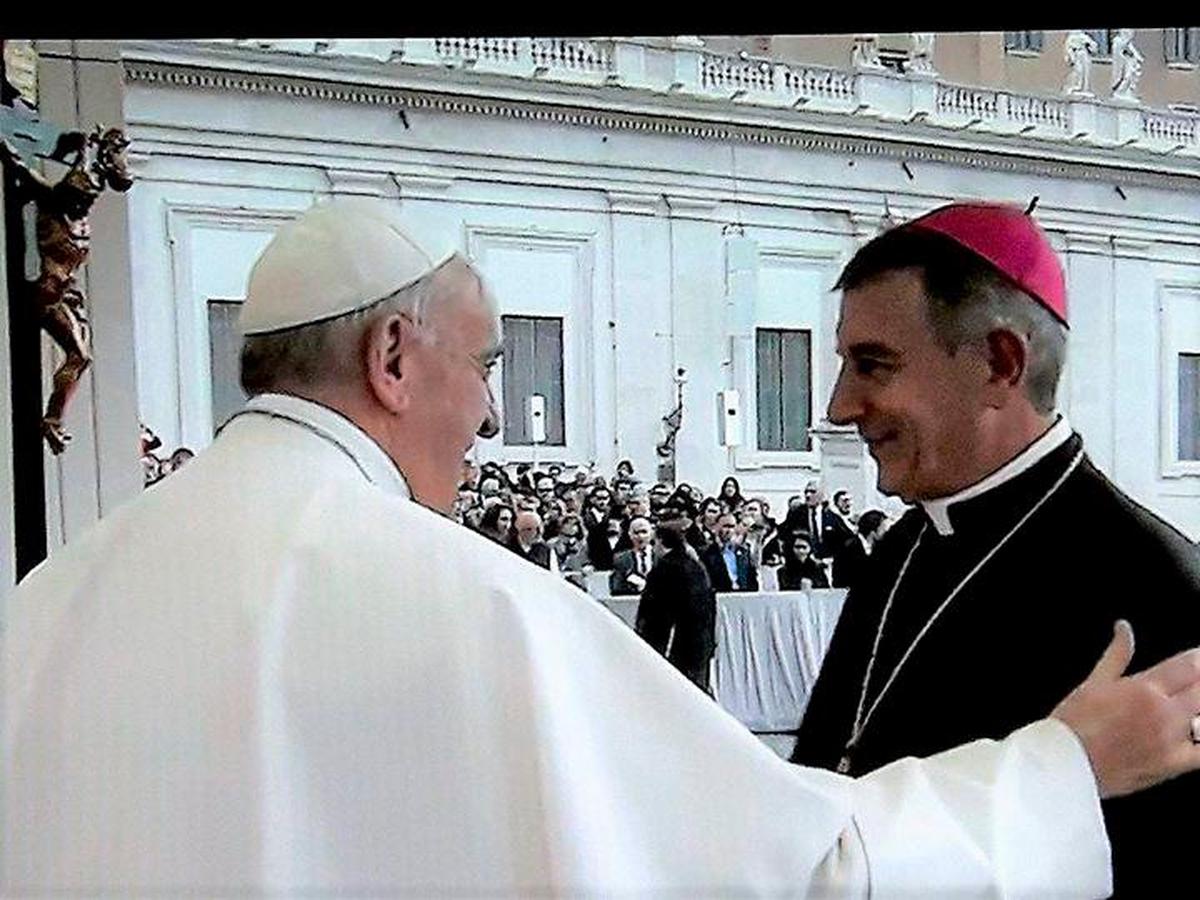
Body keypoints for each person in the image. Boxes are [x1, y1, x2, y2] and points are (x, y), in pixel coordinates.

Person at [6, 198, 1200, 897]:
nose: (488, 414)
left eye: (869, 366)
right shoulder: (463, 597)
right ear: (390, 361)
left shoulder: (51, 598)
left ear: (997, 363)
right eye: (485, 368)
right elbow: (789, 863)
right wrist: (1058, 774)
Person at [789, 201, 1200, 896]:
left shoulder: (1158, 586)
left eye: (873, 366)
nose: (839, 406)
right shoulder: (898, 554)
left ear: (998, 364)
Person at [635, 507, 717, 692]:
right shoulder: (696, 567)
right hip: (700, 643)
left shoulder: (664, 569)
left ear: (661, 541)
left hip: (675, 644)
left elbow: (653, 614)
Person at [700, 511, 760, 593]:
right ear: (716, 528)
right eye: (725, 526)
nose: (729, 530)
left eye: (732, 527)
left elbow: (752, 580)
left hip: (743, 597)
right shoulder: (707, 553)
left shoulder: (744, 552)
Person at [831, 509, 888, 591]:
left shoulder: (881, 548)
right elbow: (840, 578)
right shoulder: (848, 548)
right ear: (873, 531)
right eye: (884, 529)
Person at [609, 515, 657, 596]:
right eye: (636, 532)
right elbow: (616, 587)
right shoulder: (621, 559)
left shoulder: (661, 557)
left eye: (644, 532)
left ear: (651, 534)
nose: (640, 536)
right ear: (630, 535)